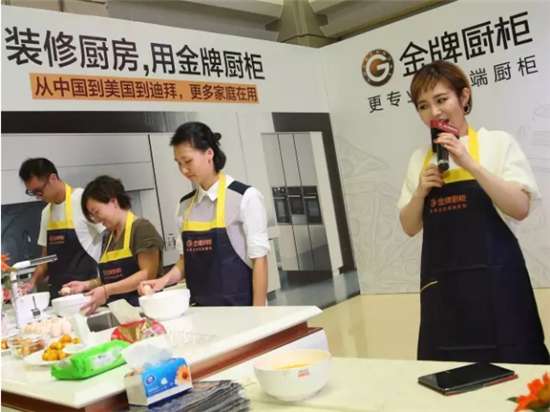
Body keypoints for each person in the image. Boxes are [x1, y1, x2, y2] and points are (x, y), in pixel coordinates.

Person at [397, 60, 549, 364]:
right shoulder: (420, 159)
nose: (434, 112)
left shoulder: (497, 143)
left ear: (464, 96)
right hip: (445, 293)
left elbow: (520, 208)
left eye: (442, 100)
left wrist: (472, 165)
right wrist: (420, 192)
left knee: (517, 367)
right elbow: (409, 226)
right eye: (423, 106)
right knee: (451, 372)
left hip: (498, 284)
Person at [138, 121, 269, 306]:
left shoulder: (245, 197)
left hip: (242, 308)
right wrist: (162, 281)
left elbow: (260, 261)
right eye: (179, 163)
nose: (184, 170)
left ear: (209, 153)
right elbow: (185, 262)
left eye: (188, 161)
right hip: (201, 311)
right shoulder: (184, 206)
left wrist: (259, 313)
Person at [62, 175, 163, 314]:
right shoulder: (108, 236)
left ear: (114, 202)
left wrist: (106, 290)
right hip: (120, 312)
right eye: (92, 216)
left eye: (97, 212)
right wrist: (86, 285)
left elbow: (147, 275)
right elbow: (112, 278)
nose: (96, 220)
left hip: (144, 310)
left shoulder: (141, 228)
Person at [18, 158, 103, 299]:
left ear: (53, 178)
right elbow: (45, 260)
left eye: (39, 191)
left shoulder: (83, 200)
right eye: (32, 193)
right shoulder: (46, 213)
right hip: (58, 294)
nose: (37, 197)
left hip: (87, 292)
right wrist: (31, 283)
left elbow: (111, 240)